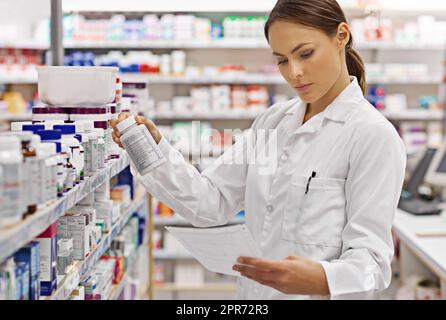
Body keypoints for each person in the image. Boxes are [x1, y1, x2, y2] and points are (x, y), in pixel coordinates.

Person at [110, 0, 406, 299]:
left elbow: (374, 263)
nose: (295, 73)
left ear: (341, 35)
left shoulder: (372, 135)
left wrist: (321, 279)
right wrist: (150, 149)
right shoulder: (274, 121)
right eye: (282, 60)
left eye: (306, 54)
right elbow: (209, 202)